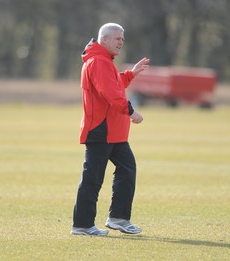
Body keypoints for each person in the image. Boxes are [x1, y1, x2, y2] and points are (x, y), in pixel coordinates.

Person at [71, 23, 150, 236]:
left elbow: (114, 84)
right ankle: (82, 225)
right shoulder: (98, 61)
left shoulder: (104, 61)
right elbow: (110, 93)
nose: (121, 42)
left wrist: (131, 74)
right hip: (101, 130)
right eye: (117, 38)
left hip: (114, 132)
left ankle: (118, 218)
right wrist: (131, 111)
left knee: (127, 168)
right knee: (93, 177)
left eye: (122, 39)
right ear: (103, 39)